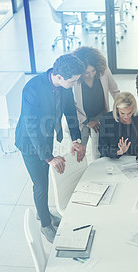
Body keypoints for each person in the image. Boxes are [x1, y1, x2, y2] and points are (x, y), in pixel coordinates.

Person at [15, 54, 86, 243]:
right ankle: (45, 225)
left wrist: (76, 139)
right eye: (73, 81)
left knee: (44, 179)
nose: (75, 84)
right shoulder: (32, 88)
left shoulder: (65, 86)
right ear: (60, 76)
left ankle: (42, 212)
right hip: (30, 142)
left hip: (45, 137)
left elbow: (70, 113)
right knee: (40, 183)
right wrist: (48, 157)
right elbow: (31, 127)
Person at [72, 46, 120, 159]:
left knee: (98, 151)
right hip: (80, 118)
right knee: (79, 151)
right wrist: (87, 122)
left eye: (93, 71)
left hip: (99, 115)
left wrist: (120, 108)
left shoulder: (103, 71)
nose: (91, 75)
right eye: (86, 73)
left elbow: (114, 91)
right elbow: (70, 107)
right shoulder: (74, 80)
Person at [98, 92, 138, 162]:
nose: (126, 117)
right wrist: (118, 152)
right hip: (113, 161)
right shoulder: (106, 120)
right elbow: (102, 148)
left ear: (134, 109)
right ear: (117, 109)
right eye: (122, 113)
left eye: (129, 113)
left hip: (134, 161)